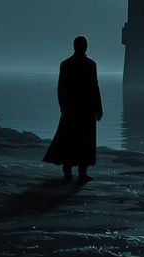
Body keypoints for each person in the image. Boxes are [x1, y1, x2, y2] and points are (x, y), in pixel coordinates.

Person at [42, 35, 103, 183]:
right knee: (85, 139)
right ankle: (82, 172)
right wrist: (99, 108)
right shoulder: (90, 64)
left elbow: (60, 87)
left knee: (68, 138)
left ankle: (67, 171)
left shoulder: (66, 64)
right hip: (86, 108)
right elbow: (94, 87)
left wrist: (62, 105)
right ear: (85, 47)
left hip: (70, 107)